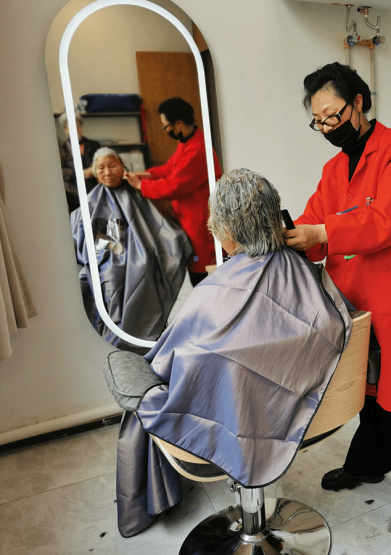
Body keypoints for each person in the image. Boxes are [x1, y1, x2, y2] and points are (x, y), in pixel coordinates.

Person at [116, 168, 352, 537]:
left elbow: (171, 363)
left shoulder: (214, 292)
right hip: (310, 413)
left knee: (139, 380)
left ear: (228, 232)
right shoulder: (311, 279)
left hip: (243, 419)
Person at [285, 62, 391, 555]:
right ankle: (369, 465)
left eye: (332, 116)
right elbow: (315, 219)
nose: (326, 127)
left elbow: (384, 221)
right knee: (371, 395)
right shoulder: (334, 169)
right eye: (318, 120)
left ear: (358, 103)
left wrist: (323, 232)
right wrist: (290, 236)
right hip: (357, 303)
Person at [71, 148, 192, 352]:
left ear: (123, 167)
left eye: (112, 166)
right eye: (101, 168)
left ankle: (139, 335)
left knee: (144, 266)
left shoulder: (137, 194)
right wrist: (113, 248)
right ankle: (117, 338)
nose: (108, 172)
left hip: (139, 252)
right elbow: (89, 238)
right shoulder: (92, 201)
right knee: (111, 275)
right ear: (95, 173)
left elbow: (160, 229)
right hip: (107, 256)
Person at [124, 97, 222, 286]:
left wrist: (141, 185)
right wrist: (145, 175)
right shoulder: (188, 141)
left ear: (178, 124)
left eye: (166, 126)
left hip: (199, 220)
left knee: (202, 272)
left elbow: (173, 186)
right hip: (188, 217)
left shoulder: (197, 149)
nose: (166, 130)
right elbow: (170, 169)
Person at [58, 111, 101, 212]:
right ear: (65, 129)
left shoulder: (94, 145)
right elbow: (59, 171)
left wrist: (94, 170)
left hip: (94, 191)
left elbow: (102, 162)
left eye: (78, 126)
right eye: (72, 127)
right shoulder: (61, 148)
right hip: (73, 194)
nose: (76, 130)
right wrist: (79, 173)